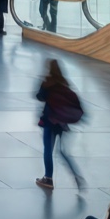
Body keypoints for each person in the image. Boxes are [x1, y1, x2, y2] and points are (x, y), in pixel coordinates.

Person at [34, 59, 85, 190]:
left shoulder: (47, 82)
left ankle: (48, 179)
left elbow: (39, 96)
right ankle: (76, 176)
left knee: (48, 150)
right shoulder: (64, 82)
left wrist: (42, 83)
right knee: (62, 152)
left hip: (49, 121)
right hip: (61, 123)